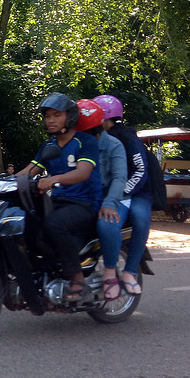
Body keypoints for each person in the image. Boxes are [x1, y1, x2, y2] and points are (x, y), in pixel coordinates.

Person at [19, 93, 102, 302]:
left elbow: (83, 173)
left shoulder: (85, 142)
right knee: (24, 222)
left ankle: (77, 276)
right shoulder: (48, 146)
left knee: (54, 224)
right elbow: (29, 171)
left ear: (70, 117)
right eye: (47, 116)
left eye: (56, 115)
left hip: (84, 203)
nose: (50, 120)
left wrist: (52, 180)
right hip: (56, 202)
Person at [95, 94, 153, 296]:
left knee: (140, 218)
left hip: (136, 191)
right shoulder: (95, 138)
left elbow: (141, 171)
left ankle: (130, 271)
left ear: (105, 118)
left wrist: (121, 191)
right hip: (113, 192)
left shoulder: (128, 138)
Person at [76, 99, 128, 301]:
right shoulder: (74, 143)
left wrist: (109, 203)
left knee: (106, 225)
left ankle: (109, 271)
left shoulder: (114, 146)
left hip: (112, 199)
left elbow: (119, 178)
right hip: (83, 198)